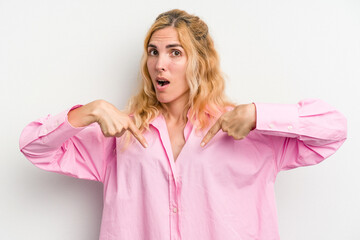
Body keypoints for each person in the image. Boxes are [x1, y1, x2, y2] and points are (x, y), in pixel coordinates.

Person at [19, 9, 347, 240]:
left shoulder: (245, 130)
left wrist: (258, 114)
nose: (160, 64)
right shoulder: (121, 134)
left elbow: (334, 129)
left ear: (200, 63)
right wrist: (89, 111)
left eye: (175, 53)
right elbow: (33, 147)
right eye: (153, 52)